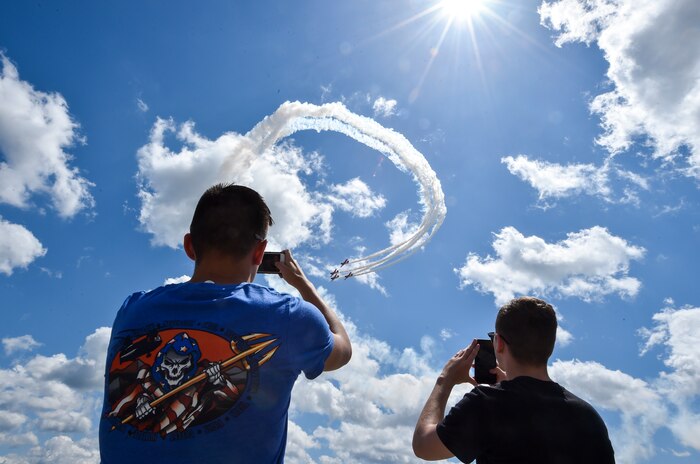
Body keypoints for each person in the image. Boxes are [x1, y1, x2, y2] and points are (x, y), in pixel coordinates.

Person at [99, 183, 352, 463]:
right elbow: (342, 351)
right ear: (260, 253)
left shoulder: (132, 309)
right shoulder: (289, 316)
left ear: (189, 246)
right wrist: (303, 284)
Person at [412, 296, 615, 463]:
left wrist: (444, 381)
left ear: (498, 343)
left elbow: (424, 446)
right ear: (550, 345)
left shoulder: (487, 403)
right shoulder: (588, 417)